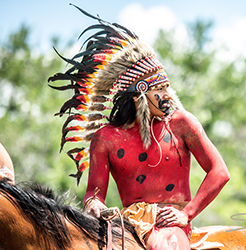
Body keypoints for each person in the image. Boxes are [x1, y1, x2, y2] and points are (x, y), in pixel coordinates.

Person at [49, 5, 229, 249]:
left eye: (167, 87)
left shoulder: (182, 123)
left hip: (171, 225)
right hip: (127, 225)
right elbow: (94, 193)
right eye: (160, 89)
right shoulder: (105, 138)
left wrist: (187, 213)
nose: (168, 95)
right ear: (139, 95)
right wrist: (95, 205)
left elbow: (219, 171)